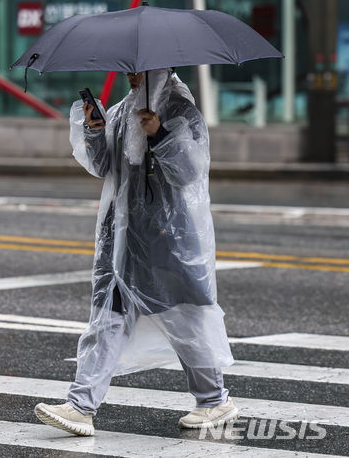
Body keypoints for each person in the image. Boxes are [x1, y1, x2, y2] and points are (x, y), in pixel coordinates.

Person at [34, 68, 238, 436]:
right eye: (128, 68)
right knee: (107, 318)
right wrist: (95, 128)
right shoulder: (125, 108)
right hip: (121, 239)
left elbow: (190, 171)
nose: (131, 75)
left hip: (166, 239)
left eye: (138, 69)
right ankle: (81, 405)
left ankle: (214, 401)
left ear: (159, 67)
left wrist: (159, 133)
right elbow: (102, 165)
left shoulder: (180, 109)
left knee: (184, 320)